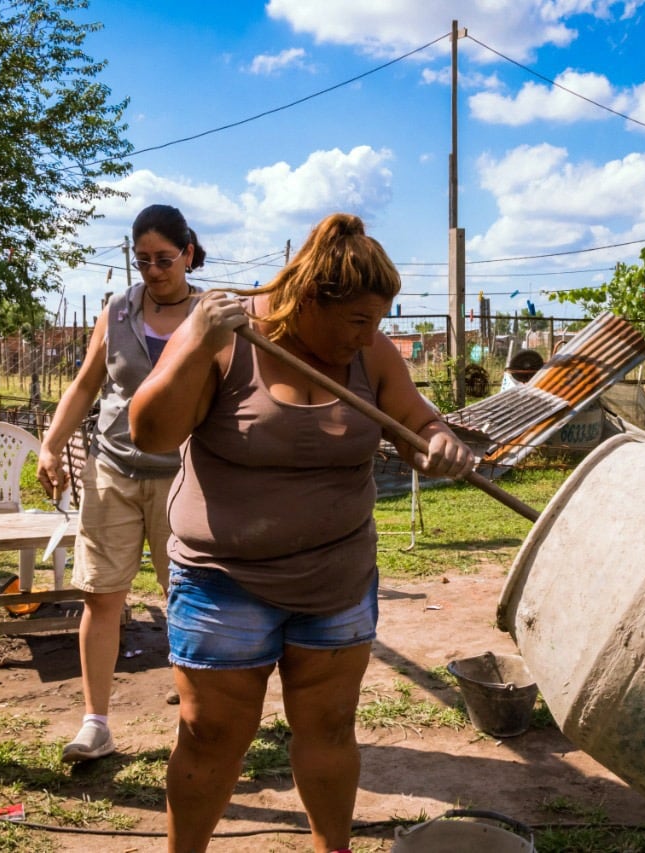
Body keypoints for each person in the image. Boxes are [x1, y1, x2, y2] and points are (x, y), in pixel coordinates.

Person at [127, 212, 476, 852]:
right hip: (224, 581)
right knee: (210, 734)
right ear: (312, 300)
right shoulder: (228, 333)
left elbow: (417, 420)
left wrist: (439, 440)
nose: (374, 336)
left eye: (378, 321)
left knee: (331, 726)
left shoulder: (368, 350)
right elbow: (149, 433)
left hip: (336, 581)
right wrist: (197, 343)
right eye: (359, 321)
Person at [37, 204, 205, 763]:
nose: (153, 271)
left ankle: (198, 721)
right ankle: (96, 724)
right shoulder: (119, 310)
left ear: (187, 253)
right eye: (143, 261)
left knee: (184, 599)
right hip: (112, 470)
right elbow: (85, 386)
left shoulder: (210, 314)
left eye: (163, 259)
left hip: (185, 478)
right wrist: (51, 444)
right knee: (102, 596)